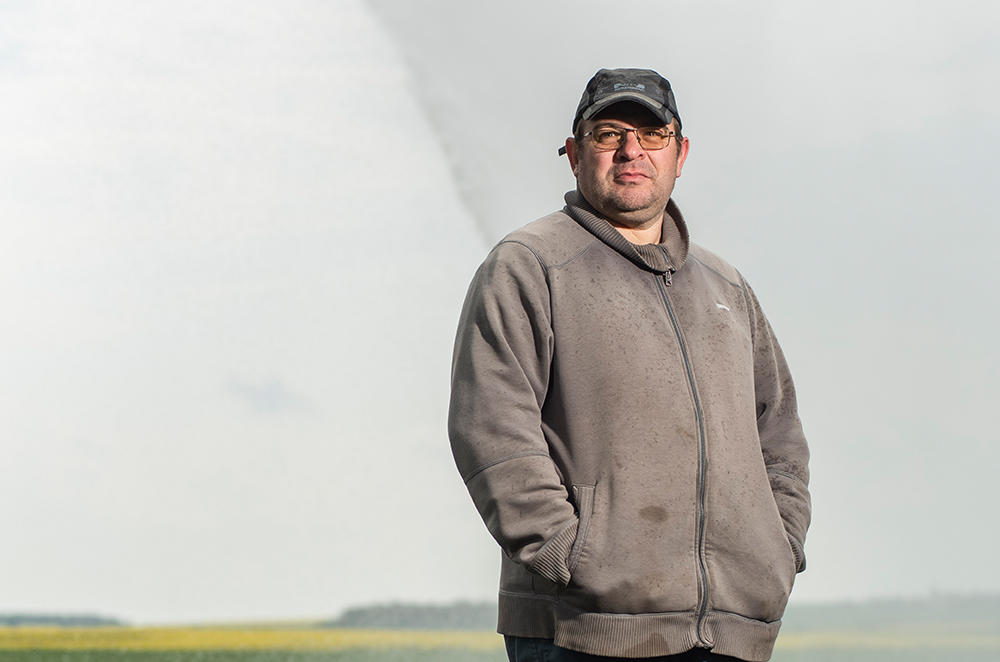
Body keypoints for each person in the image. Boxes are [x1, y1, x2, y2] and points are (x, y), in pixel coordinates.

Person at [448, 68, 810, 662]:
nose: (631, 151)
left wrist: (778, 546)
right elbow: (489, 426)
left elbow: (781, 435)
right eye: (608, 133)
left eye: (653, 134)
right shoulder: (528, 266)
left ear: (681, 152)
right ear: (573, 152)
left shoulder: (728, 288)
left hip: (732, 634)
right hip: (581, 632)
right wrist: (571, 554)